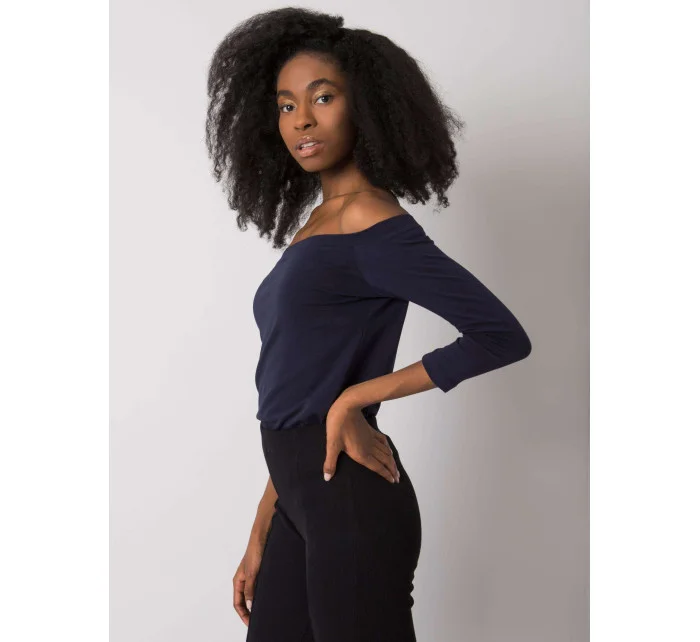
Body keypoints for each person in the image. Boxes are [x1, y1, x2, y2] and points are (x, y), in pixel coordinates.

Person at [205, 7, 532, 641]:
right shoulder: (316, 225)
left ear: (366, 106)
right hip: (301, 494)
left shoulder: (370, 221)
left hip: (350, 499)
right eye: (286, 105)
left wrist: (355, 398)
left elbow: (500, 336)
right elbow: (297, 396)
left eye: (322, 97)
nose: (301, 119)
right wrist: (262, 529)